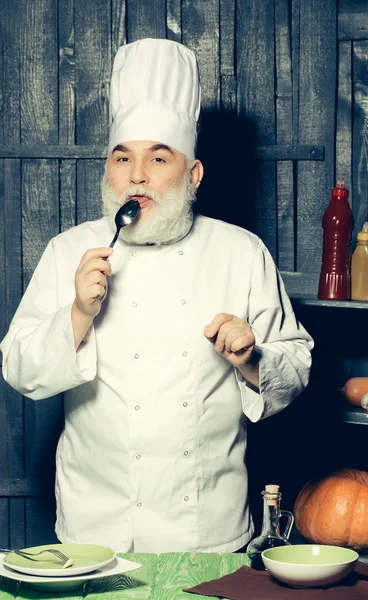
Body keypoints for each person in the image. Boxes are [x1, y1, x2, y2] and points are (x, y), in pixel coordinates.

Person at [0, 38, 313, 553]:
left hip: (206, 534)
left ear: (193, 175)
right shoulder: (68, 251)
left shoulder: (241, 252)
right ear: (109, 171)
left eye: (158, 157)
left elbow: (298, 365)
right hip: (91, 530)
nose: (137, 175)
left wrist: (252, 358)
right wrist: (78, 314)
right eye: (123, 157)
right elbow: (18, 368)